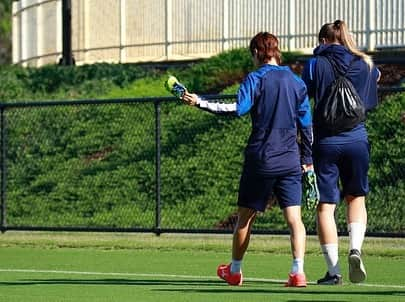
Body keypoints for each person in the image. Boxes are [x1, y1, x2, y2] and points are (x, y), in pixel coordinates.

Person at [181, 32, 313, 287]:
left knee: (245, 218)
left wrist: (200, 102)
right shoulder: (297, 83)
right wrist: (307, 160)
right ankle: (298, 272)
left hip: (261, 159)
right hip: (290, 160)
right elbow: (307, 126)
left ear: (256, 53)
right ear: (277, 51)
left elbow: (237, 109)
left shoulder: (256, 78)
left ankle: (235, 270)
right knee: (295, 219)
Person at [302, 20, 380, 285]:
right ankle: (355, 248)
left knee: (326, 206)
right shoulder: (365, 62)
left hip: (325, 141)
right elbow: (372, 88)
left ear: (323, 40)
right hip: (357, 138)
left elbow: (305, 95)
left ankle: (333, 272)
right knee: (356, 197)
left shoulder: (315, 64)